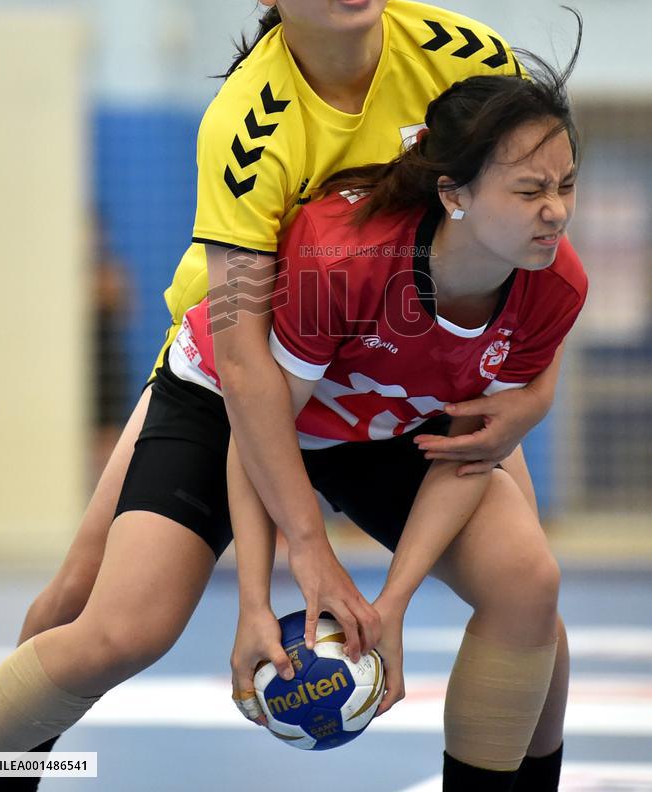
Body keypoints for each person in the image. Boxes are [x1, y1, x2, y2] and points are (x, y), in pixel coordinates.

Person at [0, 0, 563, 782]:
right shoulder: (249, 122)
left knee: (528, 596)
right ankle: (17, 764)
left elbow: (537, 251)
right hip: (243, 368)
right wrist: (300, 556)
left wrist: (530, 400)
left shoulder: (465, 61)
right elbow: (252, 363)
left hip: (404, 377)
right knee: (102, 613)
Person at [222, 59, 586, 790]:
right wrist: (255, 600)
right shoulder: (341, 258)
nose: (555, 211)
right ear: (453, 193)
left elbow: (469, 447)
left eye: (565, 185)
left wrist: (392, 602)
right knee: (112, 620)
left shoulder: (555, 283)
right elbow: (256, 423)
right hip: (236, 408)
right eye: (528, 190)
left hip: (393, 434)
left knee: (527, 586)